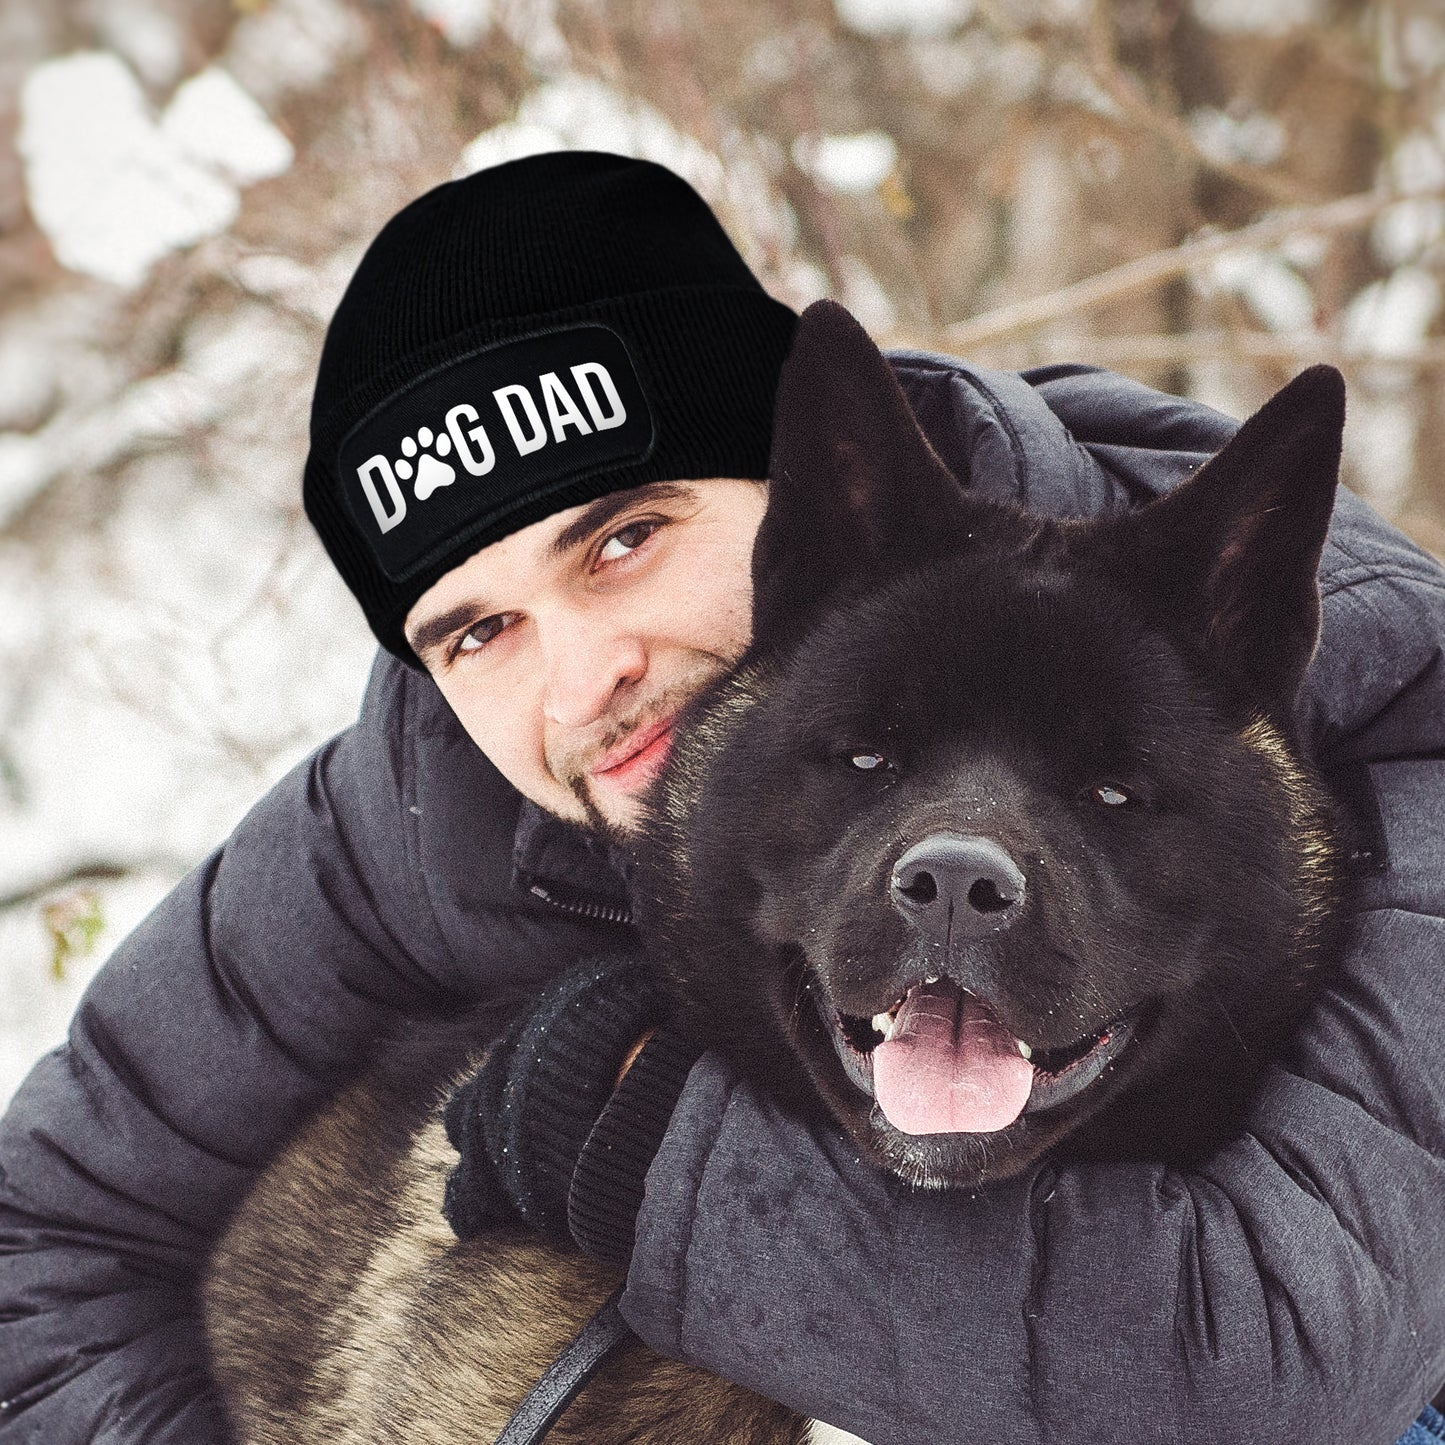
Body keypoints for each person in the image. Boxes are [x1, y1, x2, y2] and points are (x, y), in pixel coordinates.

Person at [1, 150, 1442, 1445]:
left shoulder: (1380, 718)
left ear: (810, 486)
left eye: (621, 539)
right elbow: (42, 1244)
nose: (582, 685)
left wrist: (639, 1139)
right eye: (476, 629)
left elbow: (1269, 1375)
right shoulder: (432, 798)